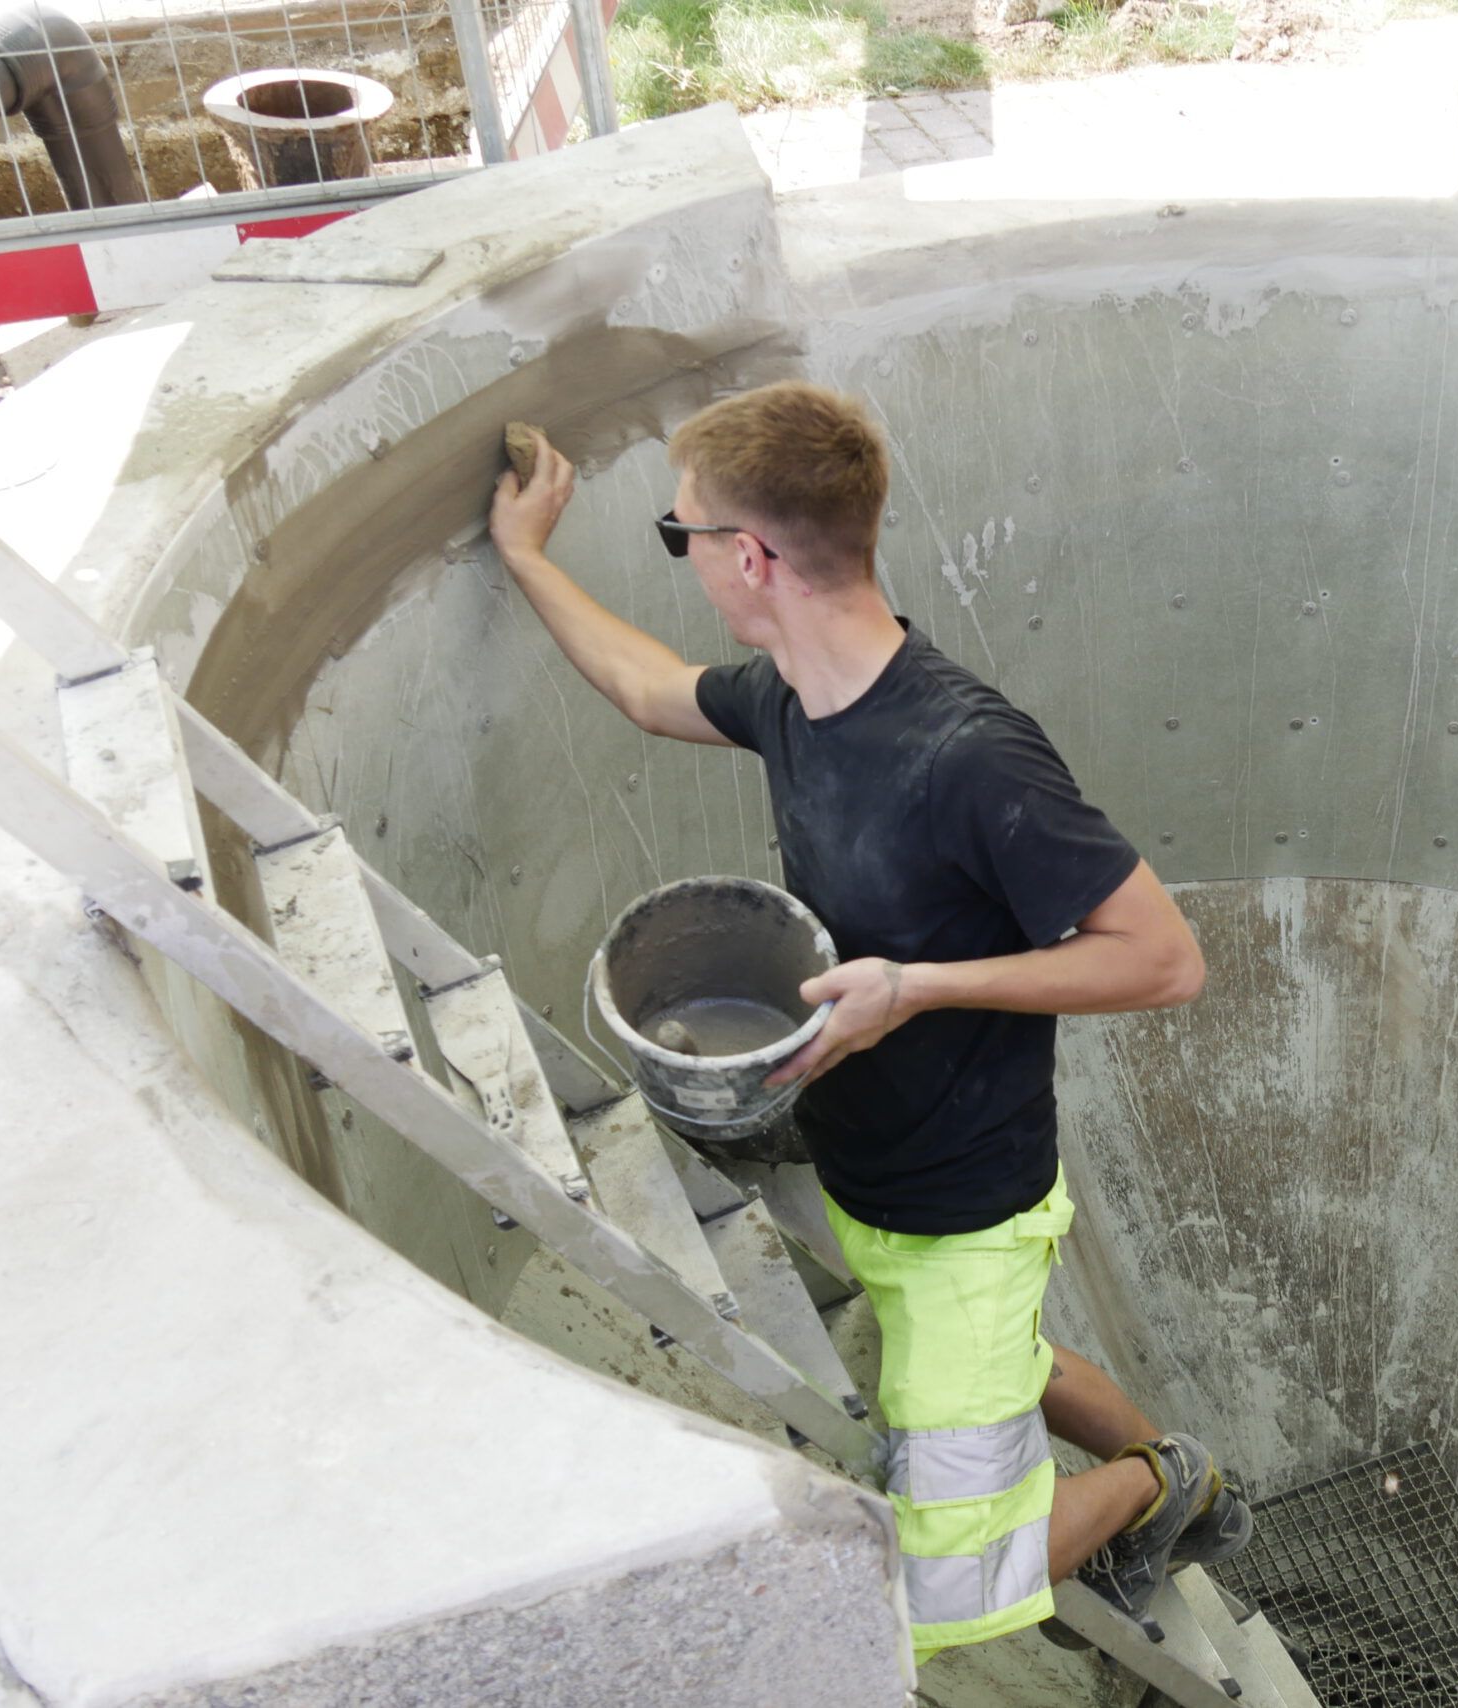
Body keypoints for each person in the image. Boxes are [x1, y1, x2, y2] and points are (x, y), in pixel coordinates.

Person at [486, 382, 1251, 1662]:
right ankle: (1133, 1451)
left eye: (681, 538)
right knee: (995, 1354)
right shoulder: (791, 696)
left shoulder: (967, 754)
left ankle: (1159, 1485)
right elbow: (647, 688)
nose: (685, 563)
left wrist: (920, 985)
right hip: (866, 1166)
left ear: (752, 555)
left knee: (946, 1592)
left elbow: (1164, 961)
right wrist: (522, 554)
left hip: (965, 1208)